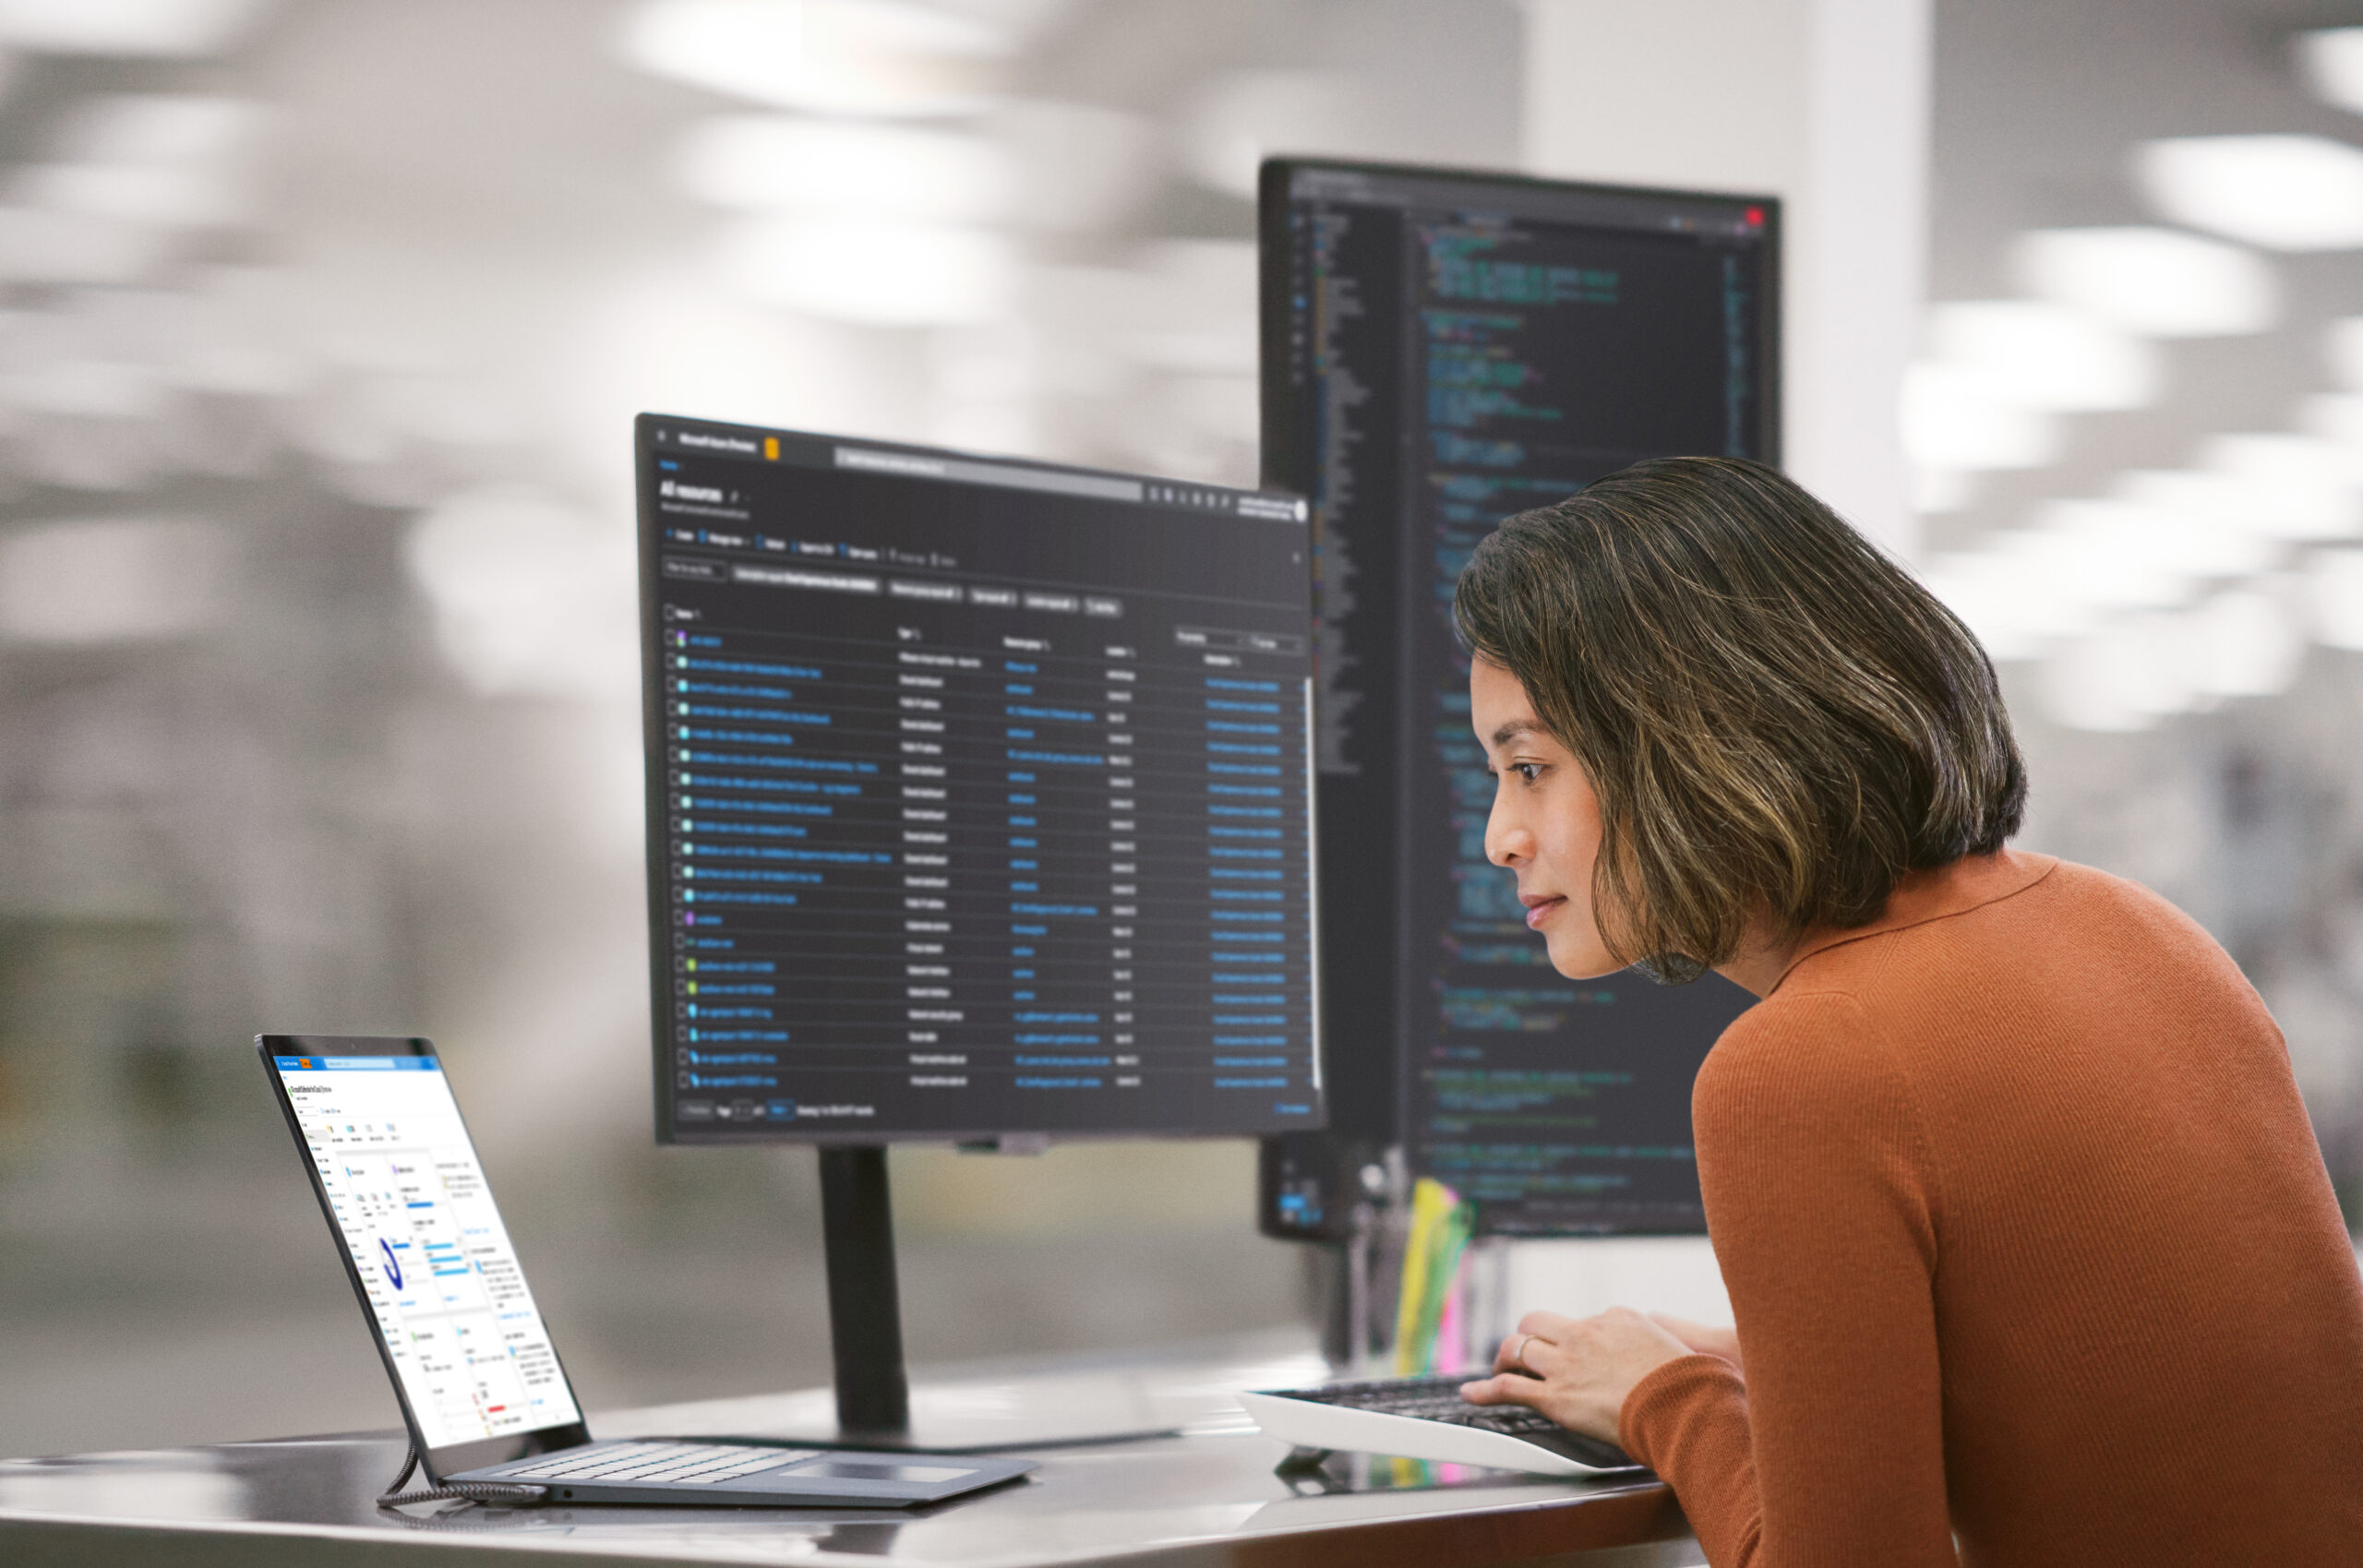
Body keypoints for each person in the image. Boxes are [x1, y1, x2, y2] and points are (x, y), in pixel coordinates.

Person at [1449, 456, 2363, 1566]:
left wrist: (1668, 1396)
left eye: (1530, 766)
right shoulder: (2144, 934)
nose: (1501, 832)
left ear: (1692, 742)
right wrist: (1759, 1360)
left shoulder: (1800, 1066)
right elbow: (2103, 1381)